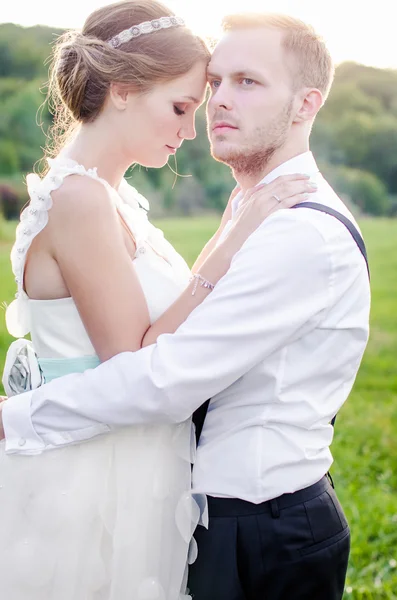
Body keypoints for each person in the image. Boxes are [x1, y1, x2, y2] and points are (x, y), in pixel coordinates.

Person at [0, 9, 371, 600]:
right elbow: (145, 360)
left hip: (256, 519)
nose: (213, 109)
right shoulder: (110, 201)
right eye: (207, 89)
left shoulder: (297, 228)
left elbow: (162, 377)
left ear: (306, 104)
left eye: (246, 82)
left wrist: (15, 417)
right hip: (118, 479)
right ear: (122, 91)